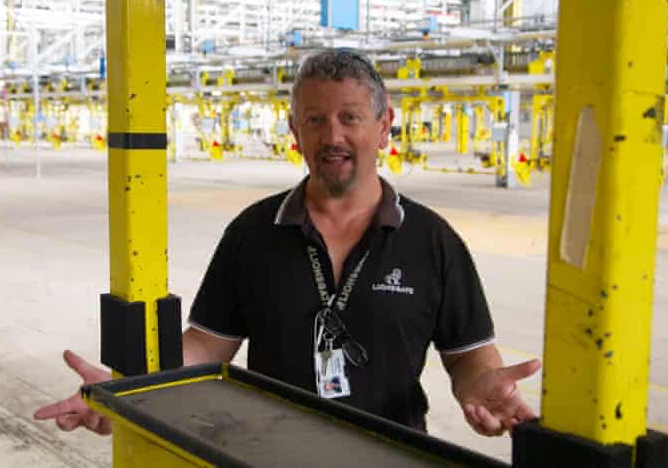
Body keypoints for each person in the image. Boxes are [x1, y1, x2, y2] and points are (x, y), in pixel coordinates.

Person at [34, 49, 541, 439]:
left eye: (349, 117)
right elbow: (207, 344)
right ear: (295, 131)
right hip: (270, 453)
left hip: (393, 455)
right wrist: (132, 388)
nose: (332, 136)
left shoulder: (432, 240)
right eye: (315, 120)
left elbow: (468, 353)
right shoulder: (252, 233)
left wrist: (480, 386)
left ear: (384, 127)